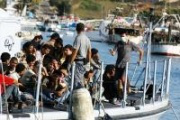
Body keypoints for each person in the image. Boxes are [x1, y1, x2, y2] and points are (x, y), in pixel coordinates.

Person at [109, 33, 143, 99]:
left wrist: (140, 60)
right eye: (121, 36)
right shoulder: (118, 43)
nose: (122, 37)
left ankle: (125, 93)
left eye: (123, 36)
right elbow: (114, 53)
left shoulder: (131, 44)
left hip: (126, 64)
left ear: (127, 37)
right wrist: (112, 52)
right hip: (118, 64)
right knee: (117, 80)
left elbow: (141, 51)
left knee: (123, 78)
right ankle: (119, 95)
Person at [70, 23, 91, 89]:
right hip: (84, 62)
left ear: (76, 29)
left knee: (76, 81)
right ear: (83, 29)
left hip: (78, 61)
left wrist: (70, 62)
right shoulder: (87, 39)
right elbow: (89, 52)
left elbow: (75, 51)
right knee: (81, 80)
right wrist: (88, 62)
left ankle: (77, 95)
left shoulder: (78, 38)